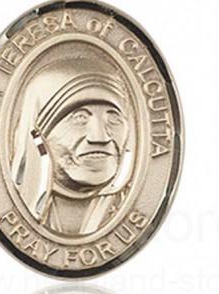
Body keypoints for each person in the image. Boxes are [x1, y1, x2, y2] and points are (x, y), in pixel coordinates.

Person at [11, 54, 134, 235]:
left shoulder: (126, 207)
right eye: (80, 118)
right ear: (39, 133)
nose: (100, 137)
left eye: (114, 118)